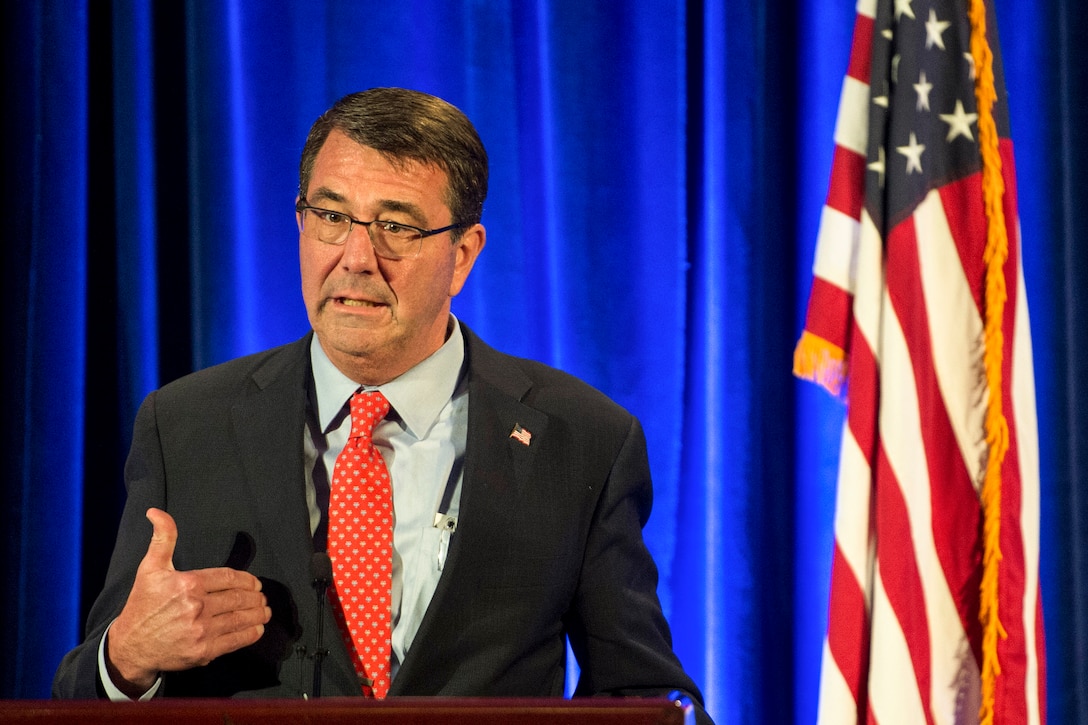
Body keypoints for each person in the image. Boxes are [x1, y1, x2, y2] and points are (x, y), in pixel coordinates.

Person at [53, 87, 712, 724]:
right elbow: (79, 695)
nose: (356, 258)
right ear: (301, 222)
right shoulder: (187, 424)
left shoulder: (583, 439)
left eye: (395, 225)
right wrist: (127, 660)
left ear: (462, 255)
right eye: (332, 217)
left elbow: (643, 695)